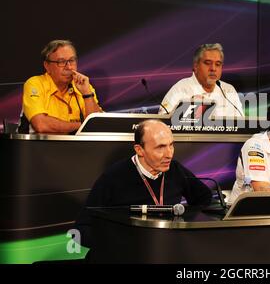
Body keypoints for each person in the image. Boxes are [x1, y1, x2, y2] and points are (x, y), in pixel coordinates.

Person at [75, 119, 212, 248]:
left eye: (171, 145)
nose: (169, 154)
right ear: (139, 150)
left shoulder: (175, 170)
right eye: (160, 147)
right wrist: (121, 244)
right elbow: (80, 231)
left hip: (165, 251)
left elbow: (204, 198)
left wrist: (182, 225)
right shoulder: (113, 177)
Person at [19, 40, 102, 134]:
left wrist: (87, 94)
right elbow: (41, 125)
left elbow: (97, 127)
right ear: (47, 66)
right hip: (39, 146)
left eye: (71, 60)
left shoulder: (84, 86)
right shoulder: (35, 84)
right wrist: (83, 125)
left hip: (78, 147)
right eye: (61, 62)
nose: (69, 67)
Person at [158, 43, 244, 117]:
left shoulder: (228, 90)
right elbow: (162, 121)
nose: (213, 68)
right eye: (207, 63)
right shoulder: (181, 89)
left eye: (218, 64)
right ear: (196, 66)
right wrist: (186, 110)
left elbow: (242, 123)